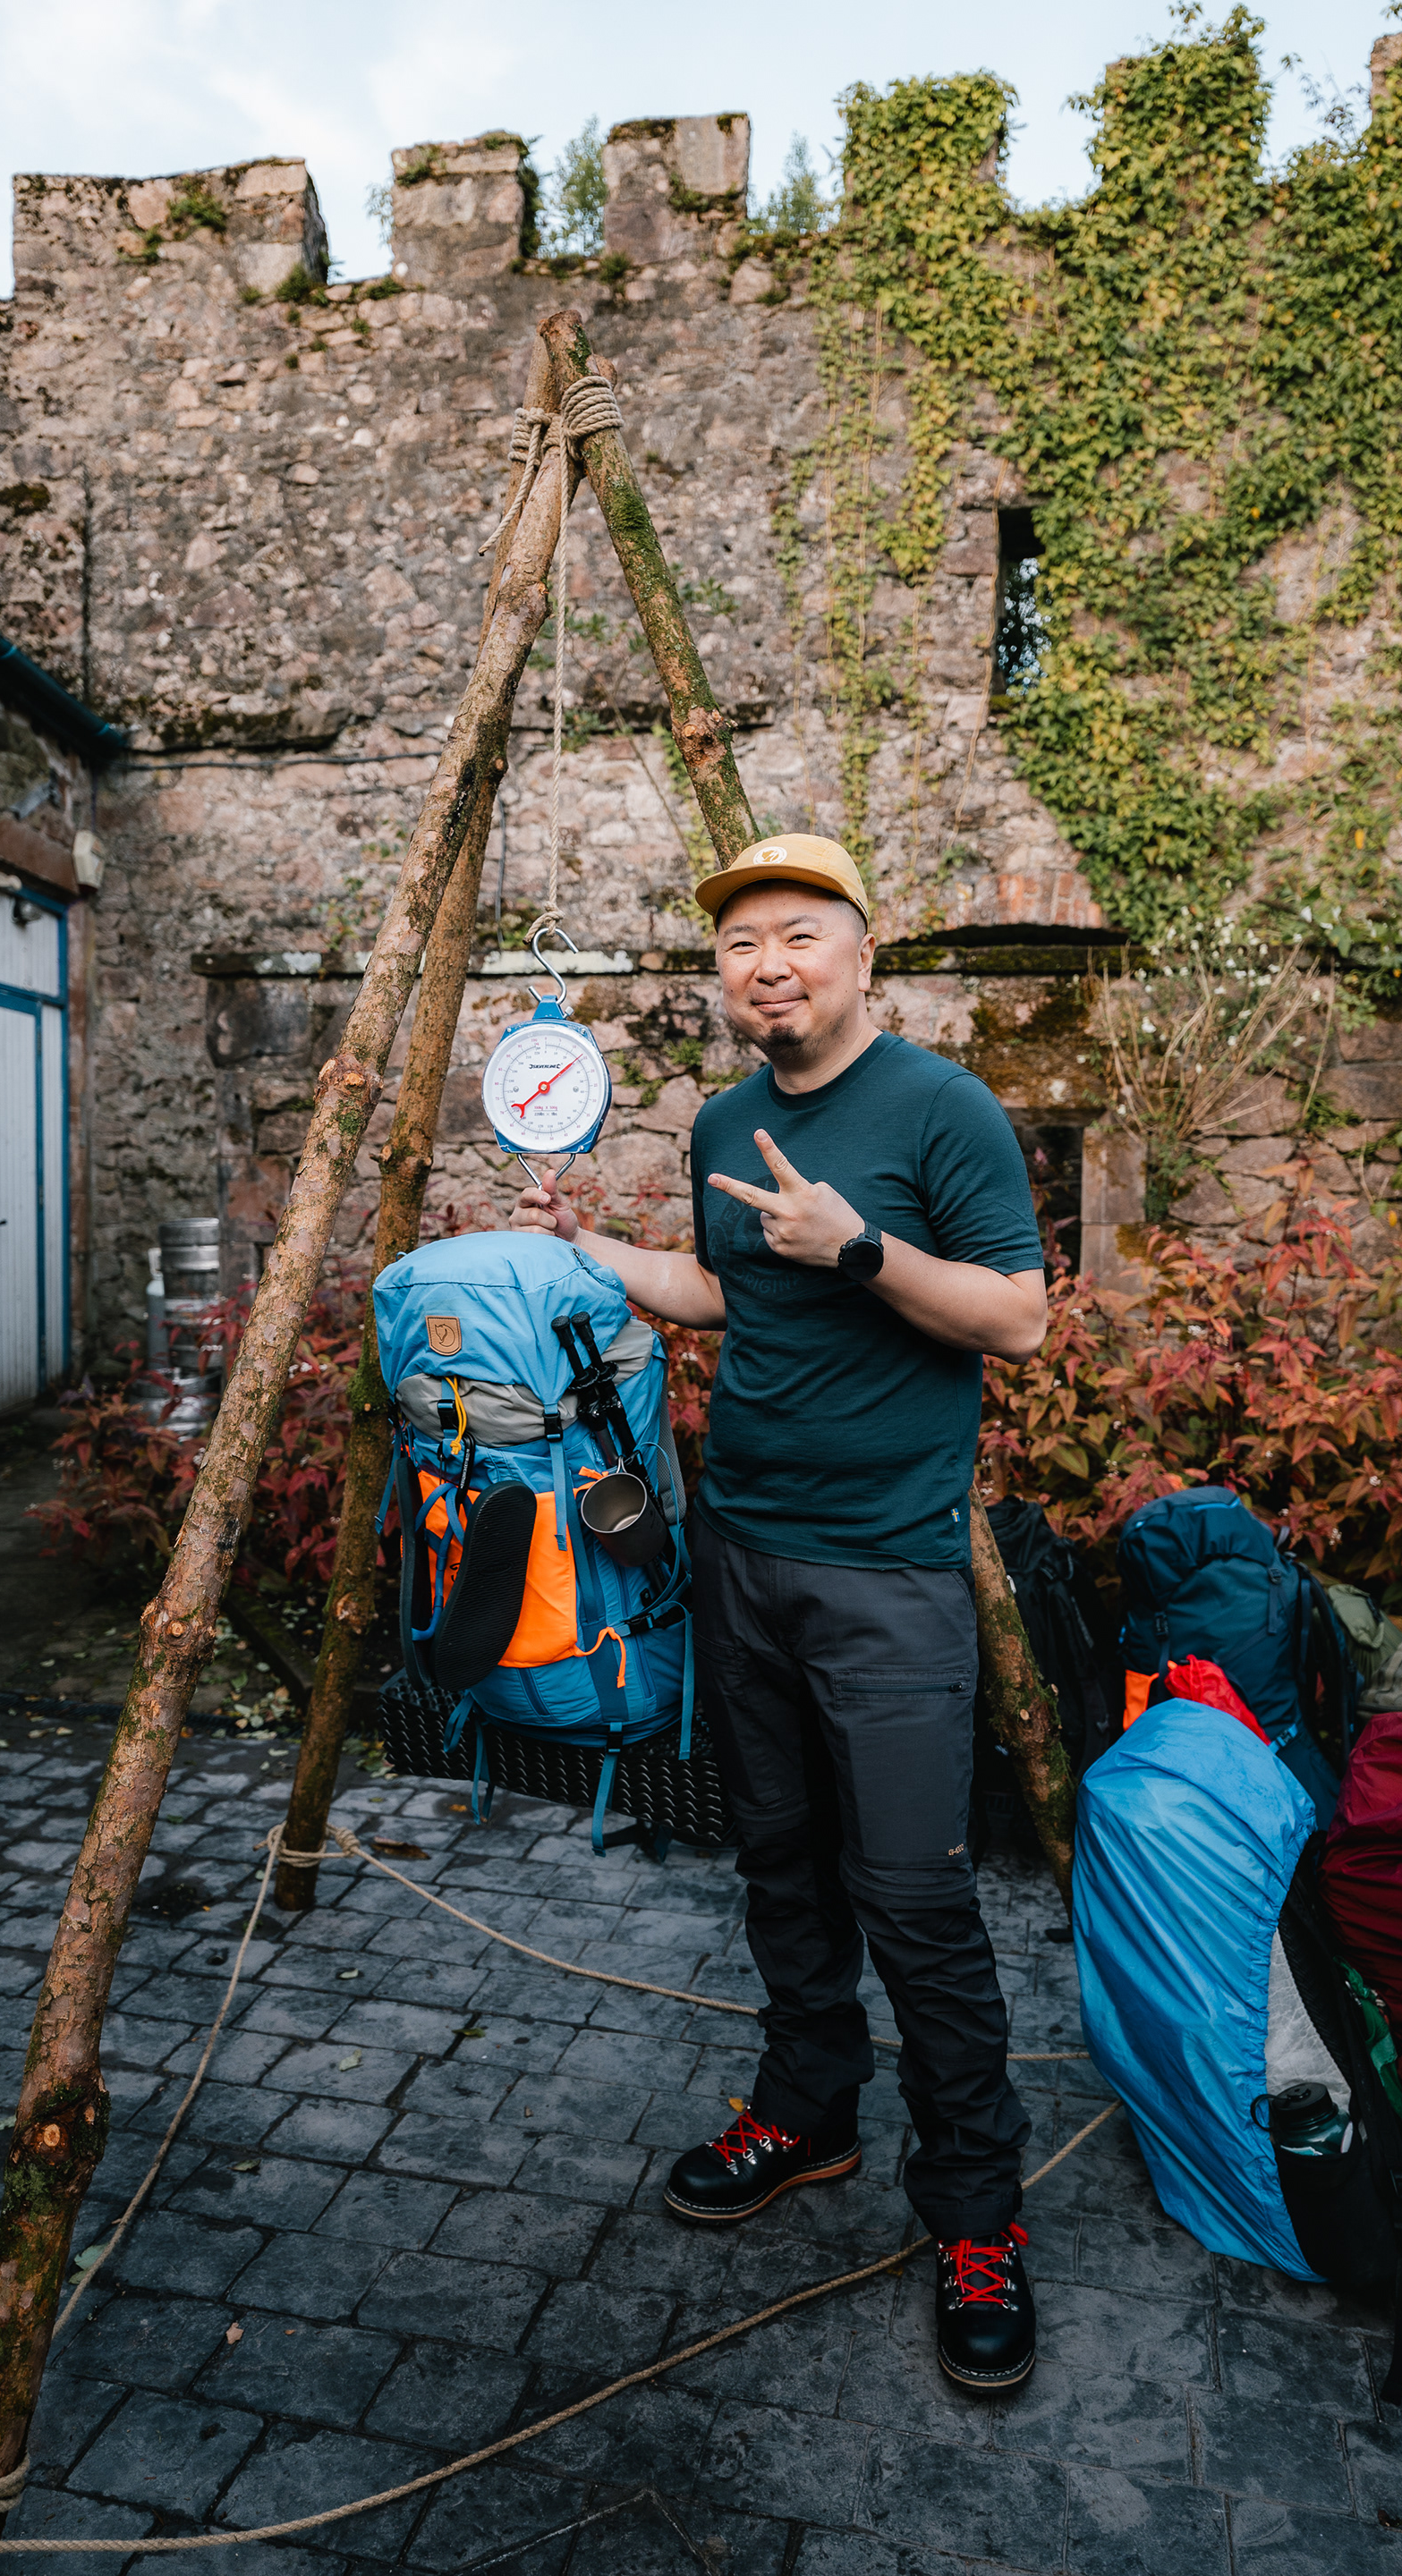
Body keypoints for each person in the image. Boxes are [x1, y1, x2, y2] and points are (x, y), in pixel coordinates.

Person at [512, 832, 1049, 2394]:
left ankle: (976, 2213)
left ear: (862, 954)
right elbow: (734, 1293)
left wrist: (862, 1245)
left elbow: (1018, 1318)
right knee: (780, 1865)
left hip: (887, 1576)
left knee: (916, 1902)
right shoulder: (725, 1120)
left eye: (800, 934)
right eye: (741, 941)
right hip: (741, 1554)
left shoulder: (943, 1110)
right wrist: (584, 1249)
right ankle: (809, 2112)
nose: (768, 964)